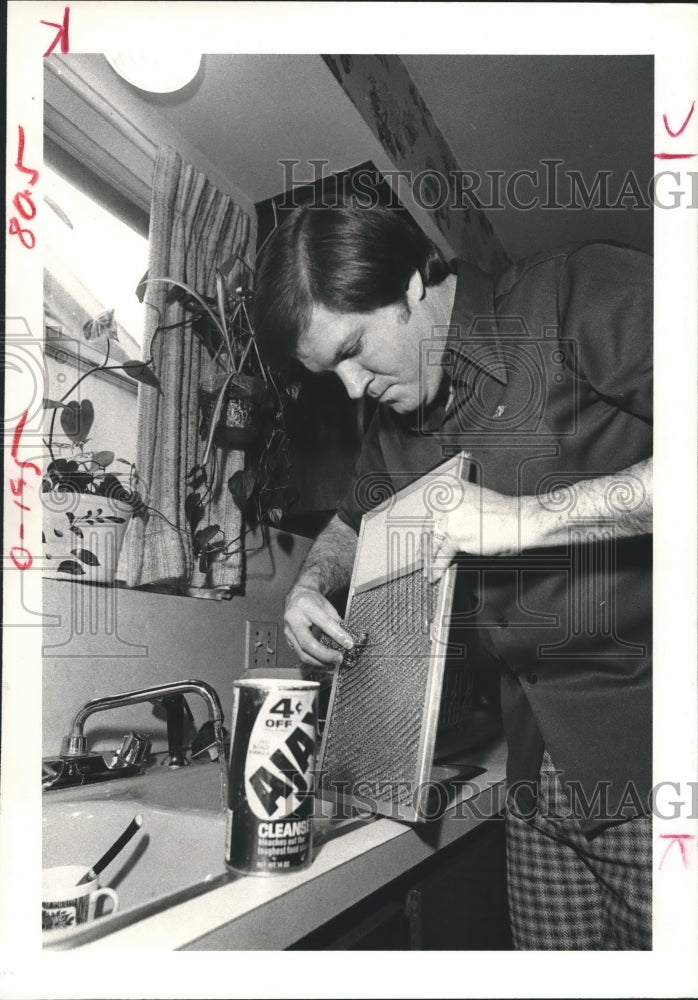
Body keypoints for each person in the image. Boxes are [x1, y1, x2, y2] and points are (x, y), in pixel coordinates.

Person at [253, 204, 653, 950]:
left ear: (410, 284)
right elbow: (350, 526)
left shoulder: (578, 292)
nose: (349, 388)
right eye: (327, 372)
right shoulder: (390, 425)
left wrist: (528, 518)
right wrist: (309, 585)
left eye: (353, 349)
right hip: (536, 782)